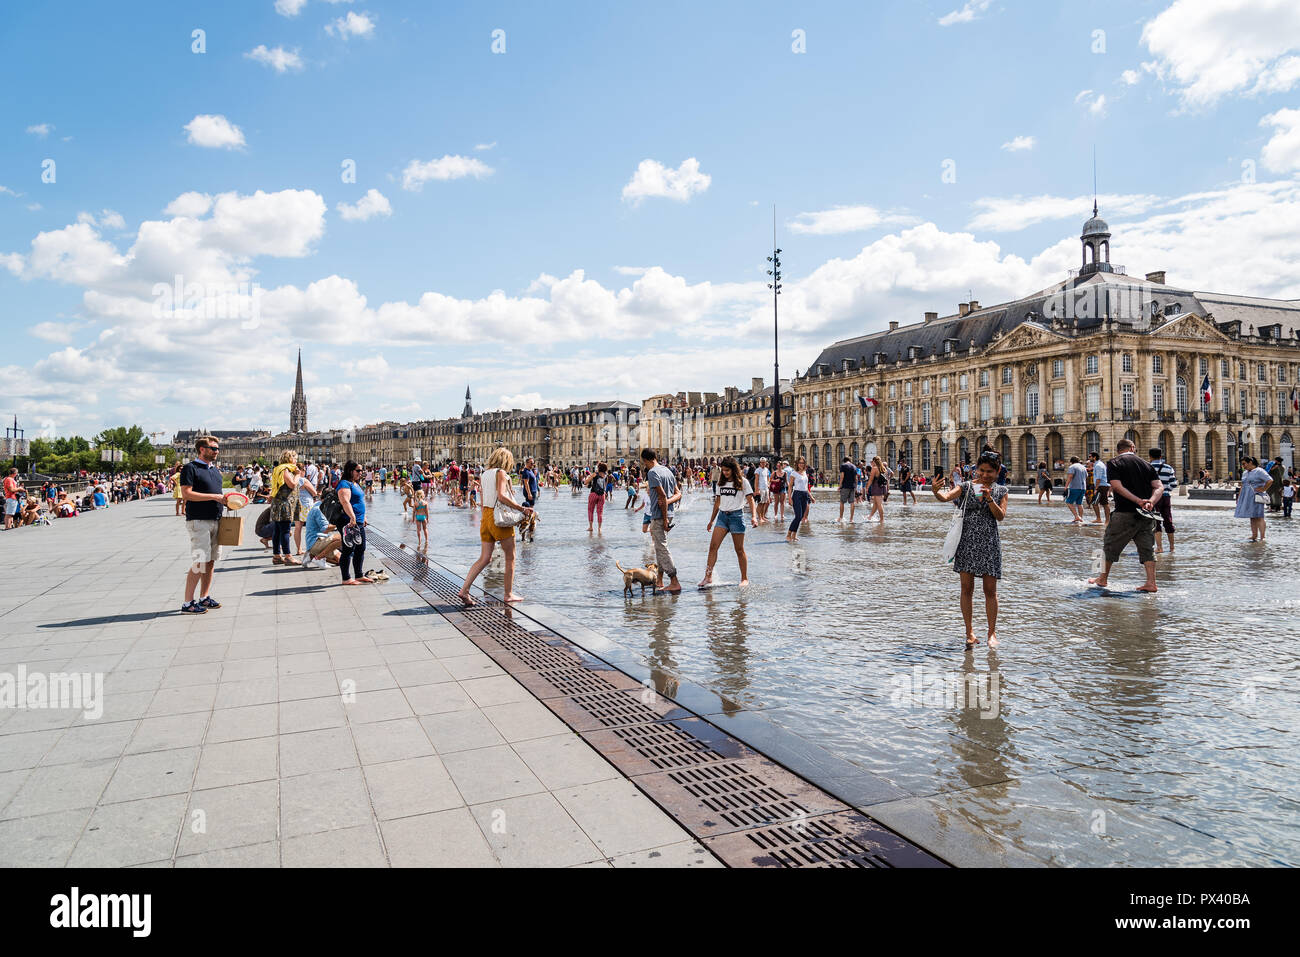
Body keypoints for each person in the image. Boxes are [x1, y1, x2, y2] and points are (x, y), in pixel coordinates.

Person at [932, 451, 1008, 649]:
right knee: (966, 589)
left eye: (989, 471)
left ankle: (992, 633)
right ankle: (970, 632)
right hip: (966, 542)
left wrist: (990, 499)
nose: (985, 475)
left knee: (990, 591)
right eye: (981, 470)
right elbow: (945, 497)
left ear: (997, 471)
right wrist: (935, 491)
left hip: (989, 543)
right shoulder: (966, 487)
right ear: (976, 469)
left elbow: (1000, 517)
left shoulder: (1001, 491)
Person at [457, 447, 534, 605]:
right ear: (506, 460)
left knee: (485, 558)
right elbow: (501, 496)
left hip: (486, 516)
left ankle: (464, 590)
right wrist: (522, 509)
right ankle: (508, 594)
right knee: (510, 556)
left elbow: (485, 497)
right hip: (498, 519)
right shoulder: (500, 473)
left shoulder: (485, 473)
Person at [1089, 439, 1163, 593]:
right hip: (1147, 514)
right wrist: (1150, 501)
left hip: (1125, 512)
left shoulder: (1114, 463)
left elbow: (1116, 486)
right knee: (1147, 548)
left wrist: (1137, 501)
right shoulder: (1146, 464)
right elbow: (1159, 487)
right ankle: (1151, 582)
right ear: (1132, 448)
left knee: (1109, 544)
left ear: (1118, 450)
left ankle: (1102, 578)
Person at [179, 435, 227, 614]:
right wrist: (214, 497)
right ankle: (187, 603)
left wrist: (227, 501)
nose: (216, 451)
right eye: (213, 448)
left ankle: (204, 597)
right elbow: (187, 494)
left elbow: (217, 493)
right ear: (202, 449)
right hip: (198, 521)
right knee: (200, 561)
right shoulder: (190, 468)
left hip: (215, 518)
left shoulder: (215, 470)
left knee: (211, 560)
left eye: (217, 449)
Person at [700, 456, 755, 588]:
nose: (724, 473)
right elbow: (717, 502)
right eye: (723, 470)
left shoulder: (743, 482)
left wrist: (754, 516)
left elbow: (751, 499)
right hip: (722, 517)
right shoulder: (721, 483)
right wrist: (711, 520)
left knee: (739, 549)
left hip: (737, 517)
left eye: (727, 470)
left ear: (733, 470)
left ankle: (744, 578)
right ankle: (708, 577)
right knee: (713, 547)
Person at [642, 448, 683, 593]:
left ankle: (674, 581)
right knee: (659, 547)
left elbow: (662, 495)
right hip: (669, 513)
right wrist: (668, 502)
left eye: (644, 463)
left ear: (646, 460)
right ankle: (659, 580)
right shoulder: (667, 470)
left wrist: (665, 518)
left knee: (662, 548)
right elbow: (678, 494)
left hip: (660, 516)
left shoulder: (652, 473)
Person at [337, 460, 372, 585]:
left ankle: (359, 574)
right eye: (358, 470)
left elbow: (360, 501)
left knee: (361, 548)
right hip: (348, 521)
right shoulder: (344, 484)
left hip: (359, 521)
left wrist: (364, 517)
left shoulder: (355, 483)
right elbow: (345, 501)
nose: (360, 472)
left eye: (361, 470)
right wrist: (352, 517)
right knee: (348, 549)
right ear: (350, 471)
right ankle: (346, 578)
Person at [269, 451, 303, 566]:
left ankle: (277, 555)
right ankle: (288, 556)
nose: (296, 461)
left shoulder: (278, 468)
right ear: (289, 458)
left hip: (279, 503)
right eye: (295, 458)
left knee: (278, 531)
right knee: (285, 530)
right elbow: (292, 484)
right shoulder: (285, 470)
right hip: (284, 504)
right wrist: (298, 474)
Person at [1234, 455, 1273, 542]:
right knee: (1252, 516)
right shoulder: (1245, 473)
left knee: (1259, 516)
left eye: (1244, 464)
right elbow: (1243, 485)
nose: (1243, 466)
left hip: (1256, 496)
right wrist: (1239, 497)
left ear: (1250, 462)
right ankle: (1254, 535)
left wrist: (1263, 489)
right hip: (1247, 496)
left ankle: (1262, 537)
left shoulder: (1259, 471)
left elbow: (1270, 480)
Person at [1147, 448, 1177, 554]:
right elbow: (1174, 484)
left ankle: (1159, 547)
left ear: (1150, 456)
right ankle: (1172, 547)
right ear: (1161, 456)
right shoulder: (1168, 468)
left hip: (1154, 498)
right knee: (1168, 520)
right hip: (1165, 497)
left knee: (1156, 522)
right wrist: (1166, 488)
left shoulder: (1147, 468)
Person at [301, 500, 341, 570]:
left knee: (340, 561)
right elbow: (325, 529)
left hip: (317, 541)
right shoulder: (319, 510)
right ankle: (318, 558)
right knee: (342, 538)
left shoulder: (320, 506)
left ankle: (311, 556)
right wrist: (339, 524)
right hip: (315, 542)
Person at [785, 455, 813, 542]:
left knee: (801, 517)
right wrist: (789, 498)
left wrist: (811, 496)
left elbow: (806, 487)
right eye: (800, 463)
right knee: (798, 516)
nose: (801, 464)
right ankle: (788, 534)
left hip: (805, 495)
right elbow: (790, 487)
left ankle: (794, 535)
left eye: (803, 463)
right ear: (797, 464)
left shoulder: (805, 473)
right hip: (797, 494)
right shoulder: (794, 473)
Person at [584, 462, 609, 533]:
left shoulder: (595, 474)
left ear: (598, 468)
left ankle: (591, 527)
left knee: (590, 510)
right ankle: (599, 528)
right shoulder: (606, 476)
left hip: (593, 494)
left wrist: (589, 478)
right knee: (600, 512)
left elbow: (585, 482)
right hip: (602, 495)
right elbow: (605, 486)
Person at [1064, 456, 1088, 524]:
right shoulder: (1083, 467)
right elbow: (1086, 476)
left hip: (1075, 487)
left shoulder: (1072, 467)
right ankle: (1080, 518)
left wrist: (1066, 486)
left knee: (1069, 502)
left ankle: (1076, 516)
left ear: (1071, 461)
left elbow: (1070, 477)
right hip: (1083, 487)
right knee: (1079, 503)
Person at [1088, 452, 1110, 525]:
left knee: (1104, 503)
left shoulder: (1098, 465)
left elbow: (1098, 478)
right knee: (1095, 503)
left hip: (1101, 486)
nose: (1089, 458)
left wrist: (1096, 488)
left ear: (1094, 457)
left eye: (1090, 456)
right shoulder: (1098, 464)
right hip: (1101, 486)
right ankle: (1098, 519)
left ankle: (1107, 521)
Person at [865, 455, 887, 523]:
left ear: (874, 461)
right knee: (875, 504)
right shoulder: (883, 468)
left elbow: (871, 480)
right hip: (882, 487)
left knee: (879, 504)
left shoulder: (874, 468)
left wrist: (867, 487)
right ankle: (870, 516)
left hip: (876, 487)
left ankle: (882, 519)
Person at [837, 456, 858, 524]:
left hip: (845, 486)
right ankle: (851, 519)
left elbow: (842, 476)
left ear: (844, 461)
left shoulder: (843, 466)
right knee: (852, 503)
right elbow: (856, 478)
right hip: (852, 486)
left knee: (842, 502)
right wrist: (856, 486)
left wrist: (840, 486)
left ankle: (841, 517)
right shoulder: (854, 466)